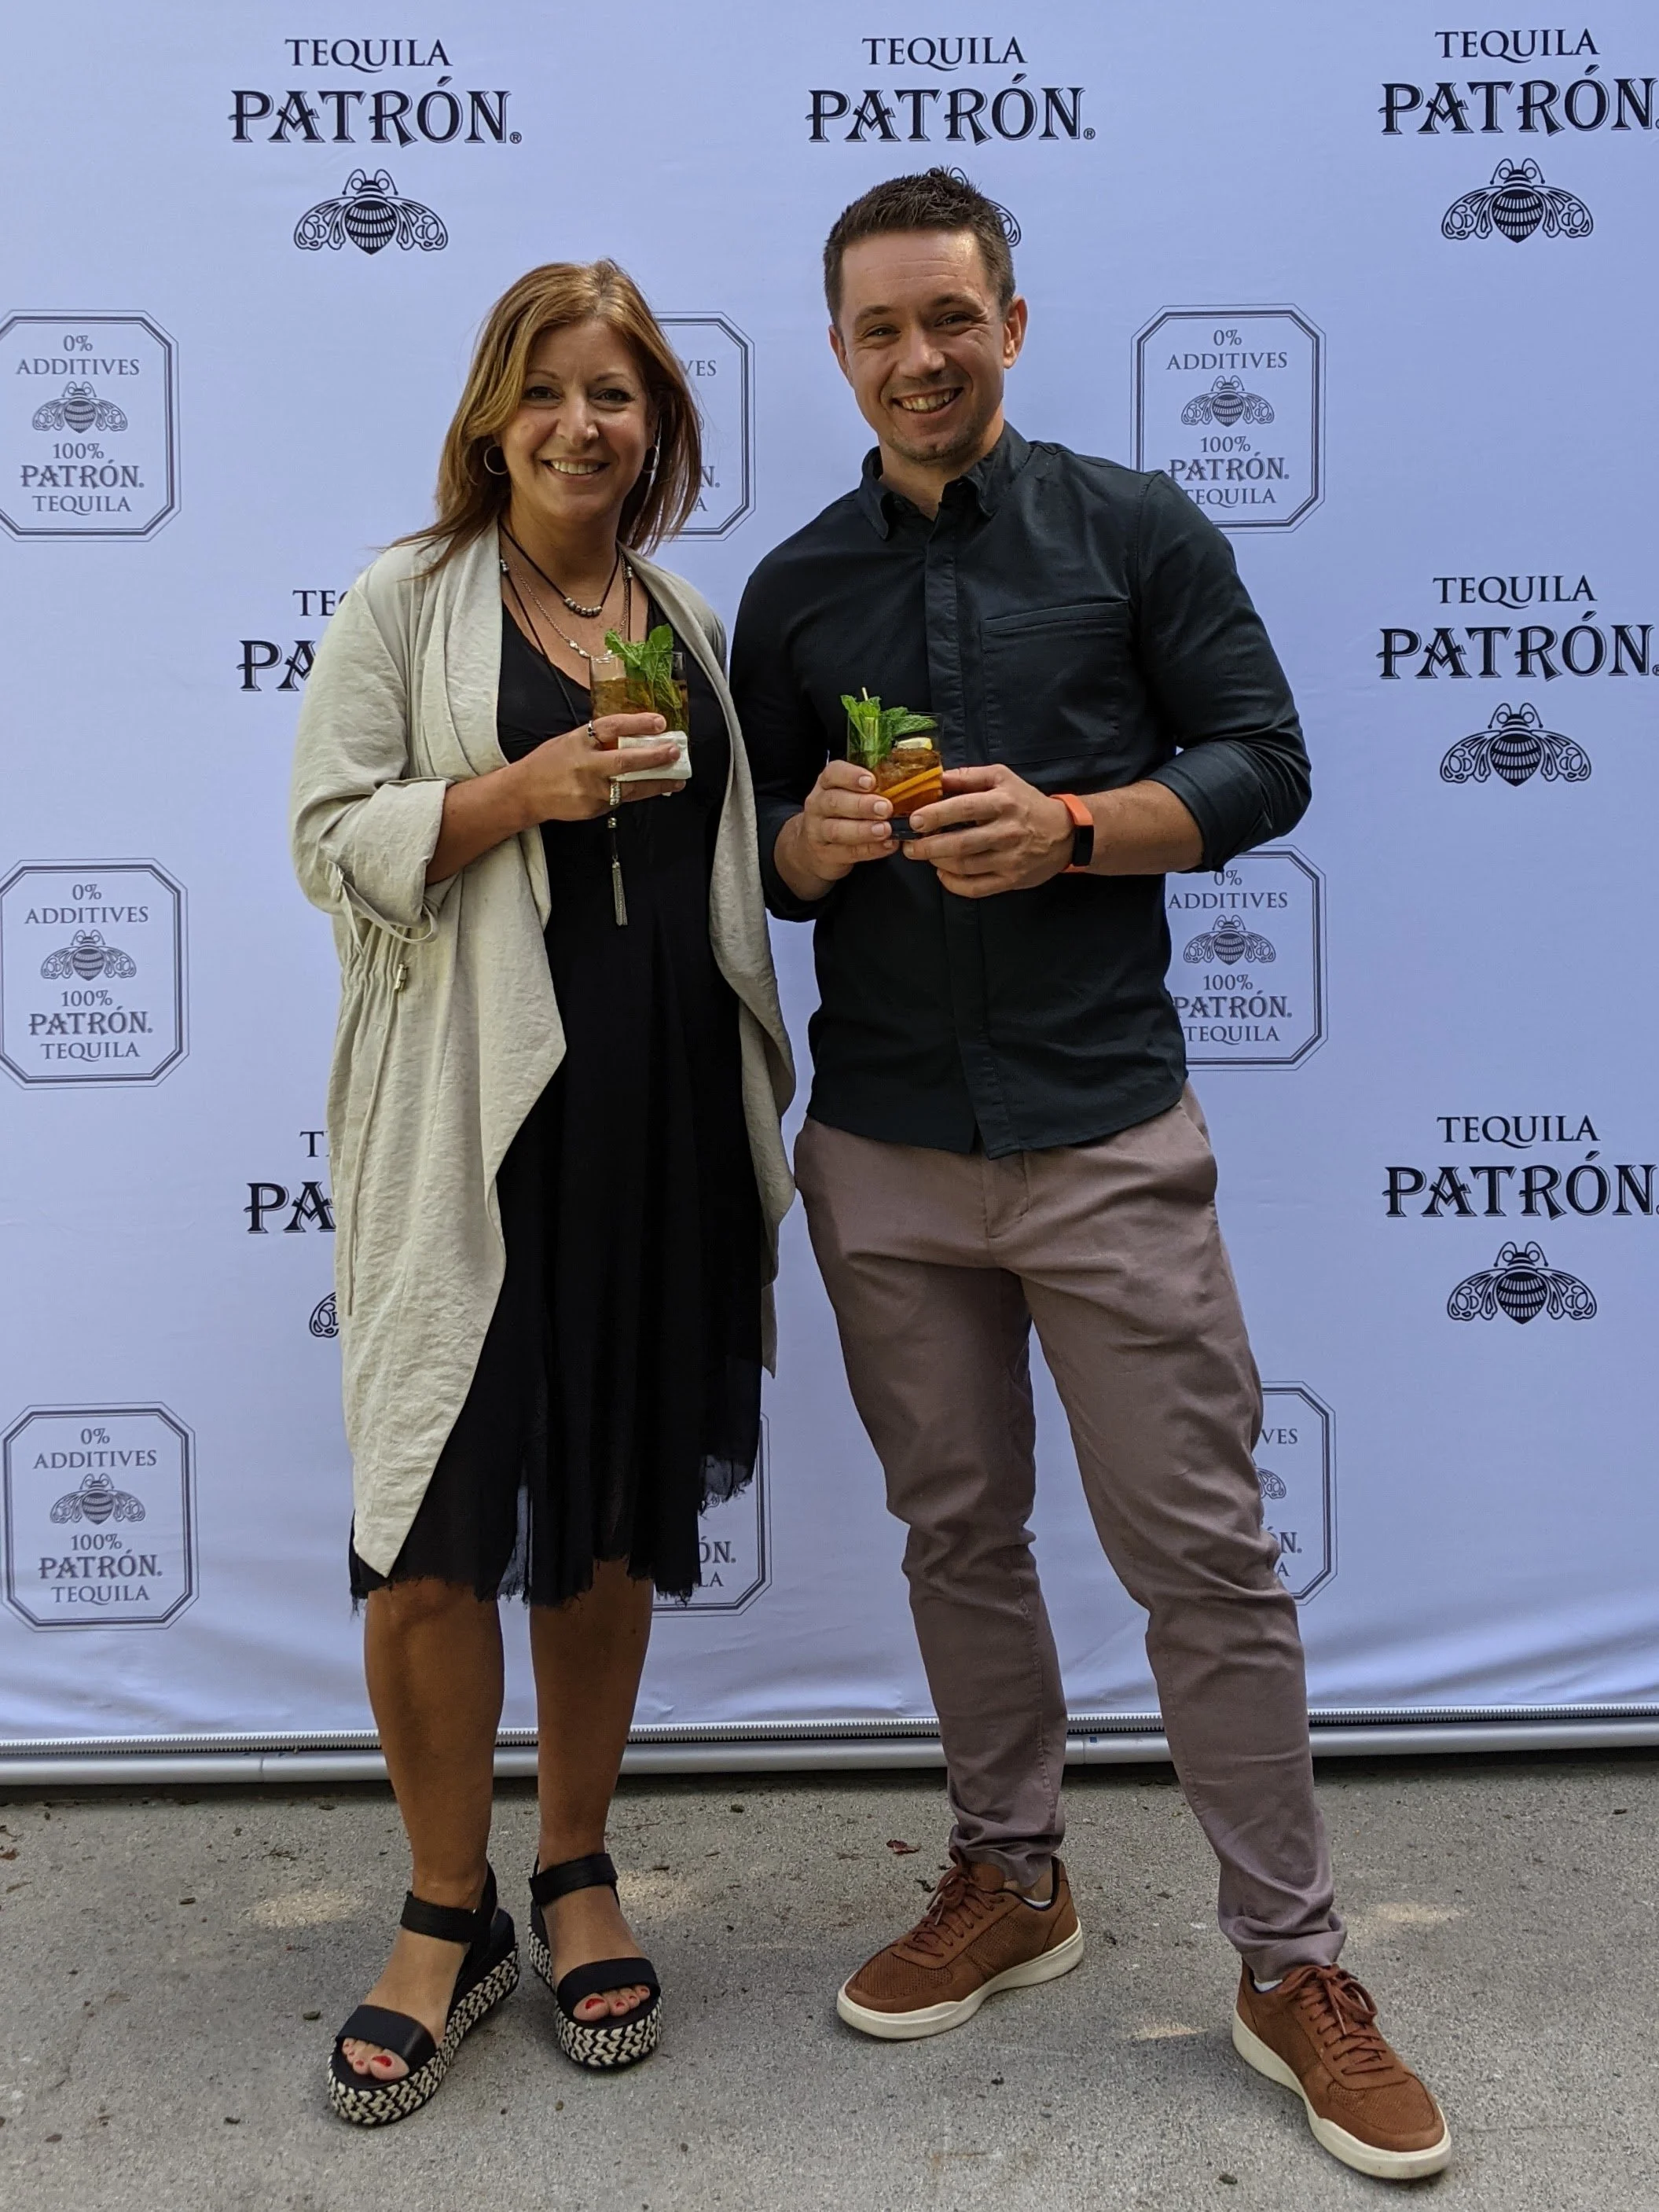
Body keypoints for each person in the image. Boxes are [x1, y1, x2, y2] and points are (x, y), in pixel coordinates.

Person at [732, 169, 1448, 2184]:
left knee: (1202, 1560)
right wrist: (808, 847)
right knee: (955, 1536)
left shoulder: (1136, 529)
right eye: (879, 329)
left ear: (1012, 326)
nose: (917, 358)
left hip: (1102, 1133)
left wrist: (1071, 827)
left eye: (948, 319)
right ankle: (1011, 1875)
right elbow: (759, 860)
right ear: (838, 352)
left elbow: (1262, 760)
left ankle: (1290, 1965)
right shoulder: (791, 589)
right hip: (883, 1150)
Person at [290, 260, 794, 2125]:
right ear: (492, 416)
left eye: (617, 394)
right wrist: (521, 789)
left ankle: (574, 1865)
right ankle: (447, 1907)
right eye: (549, 390)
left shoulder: (683, 616)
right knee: (432, 1530)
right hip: (470, 1128)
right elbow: (326, 838)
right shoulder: (401, 599)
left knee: (604, 1520)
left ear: (658, 426)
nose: (582, 424)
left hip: (654, 1125)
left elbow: (728, 861)